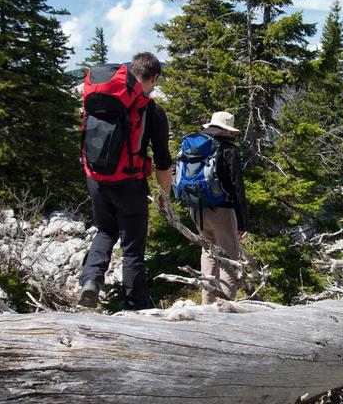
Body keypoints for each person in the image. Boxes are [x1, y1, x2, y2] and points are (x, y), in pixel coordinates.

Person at [78, 52, 172, 310]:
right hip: (129, 184)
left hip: (96, 179)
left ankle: (91, 280)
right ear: (154, 78)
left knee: (105, 230)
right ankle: (135, 308)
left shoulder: (102, 101)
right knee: (132, 251)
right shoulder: (150, 109)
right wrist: (164, 198)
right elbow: (163, 162)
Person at [190, 111, 249, 304]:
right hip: (221, 210)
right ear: (227, 130)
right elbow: (236, 186)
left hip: (197, 209)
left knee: (208, 254)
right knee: (228, 259)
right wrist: (243, 222)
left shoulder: (196, 145)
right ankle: (225, 306)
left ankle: (207, 303)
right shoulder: (228, 148)